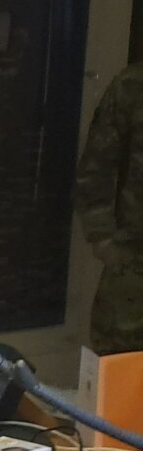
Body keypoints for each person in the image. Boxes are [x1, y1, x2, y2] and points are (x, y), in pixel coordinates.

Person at [75, 59, 142, 354]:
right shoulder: (133, 86)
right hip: (133, 258)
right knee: (117, 363)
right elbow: (96, 167)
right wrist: (103, 238)